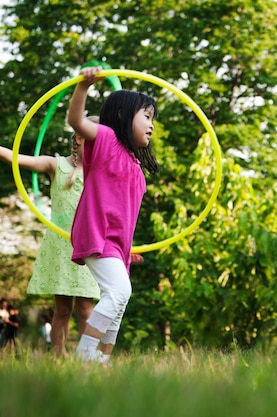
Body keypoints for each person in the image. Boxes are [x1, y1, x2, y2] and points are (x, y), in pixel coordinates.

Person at [0, 119, 102, 356]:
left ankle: (89, 356)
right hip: (61, 244)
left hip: (88, 244)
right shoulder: (56, 165)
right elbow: (21, 159)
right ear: (79, 137)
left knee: (87, 308)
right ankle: (58, 356)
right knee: (63, 308)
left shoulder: (100, 171)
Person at [67, 66, 159, 362]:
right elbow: (76, 121)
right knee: (119, 293)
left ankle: (102, 360)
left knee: (119, 302)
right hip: (97, 232)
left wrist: (127, 250)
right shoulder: (105, 140)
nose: (152, 125)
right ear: (122, 115)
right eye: (147, 116)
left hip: (117, 245)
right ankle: (84, 356)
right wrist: (84, 86)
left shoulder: (136, 166)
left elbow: (125, 213)